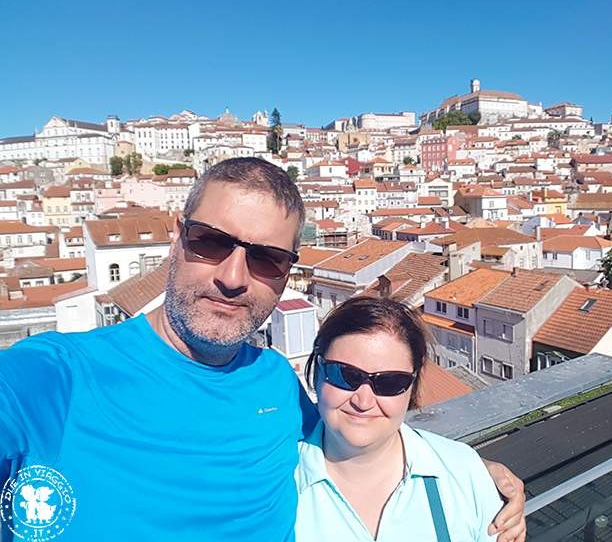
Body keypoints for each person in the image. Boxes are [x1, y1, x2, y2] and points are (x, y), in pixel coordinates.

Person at [0, 158, 526, 541]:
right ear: (178, 237)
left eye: (266, 259)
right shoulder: (52, 376)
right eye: (211, 241)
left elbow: (363, 420)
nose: (233, 278)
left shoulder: (274, 381)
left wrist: (471, 473)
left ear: (287, 273)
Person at [296, 297, 505, 541]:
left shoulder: (463, 473)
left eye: (389, 383)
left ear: (412, 387)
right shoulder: (272, 479)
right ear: (318, 371)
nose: (363, 401)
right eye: (345, 375)